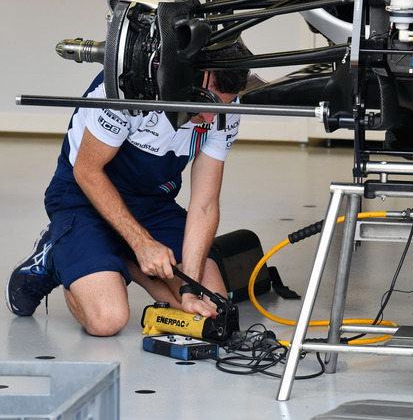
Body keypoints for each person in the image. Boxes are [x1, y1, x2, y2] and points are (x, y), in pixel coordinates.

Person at [5, 41, 250, 337]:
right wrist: (142, 243)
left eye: (223, 106)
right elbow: (87, 170)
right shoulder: (125, 88)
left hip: (152, 203)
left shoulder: (225, 109)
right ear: (186, 78)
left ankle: (119, 250)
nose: (211, 119)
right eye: (207, 105)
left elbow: (205, 204)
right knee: (107, 319)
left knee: (209, 309)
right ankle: (55, 256)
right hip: (83, 198)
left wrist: (188, 289)